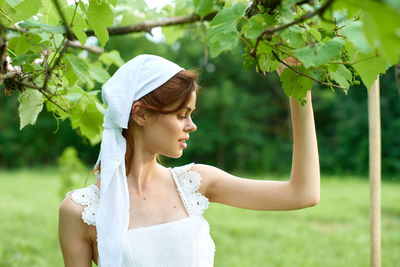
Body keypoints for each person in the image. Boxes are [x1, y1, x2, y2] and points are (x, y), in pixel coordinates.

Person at [59, 54, 320, 267]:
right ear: (140, 114)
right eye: (182, 114)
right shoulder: (80, 211)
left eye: (190, 114)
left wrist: (299, 92)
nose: (191, 126)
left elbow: (302, 194)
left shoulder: (195, 182)